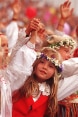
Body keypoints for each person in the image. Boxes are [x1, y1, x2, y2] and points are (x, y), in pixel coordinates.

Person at [12, 47, 62, 117]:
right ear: (35, 63)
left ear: (55, 73)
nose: (45, 67)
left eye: (50, 66)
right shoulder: (21, 80)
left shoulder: (50, 93)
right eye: (42, 62)